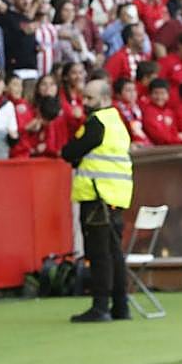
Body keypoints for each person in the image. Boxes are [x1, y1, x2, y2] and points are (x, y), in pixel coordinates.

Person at [61, 78, 133, 323]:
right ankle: (121, 306)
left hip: (97, 196)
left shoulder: (96, 122)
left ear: (104, 99)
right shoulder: (117, 122)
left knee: (99, 254)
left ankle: (100, 306)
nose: (85, 102)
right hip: (115, 196)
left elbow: (70, 152)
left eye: (90, 98)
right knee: (115, 254)